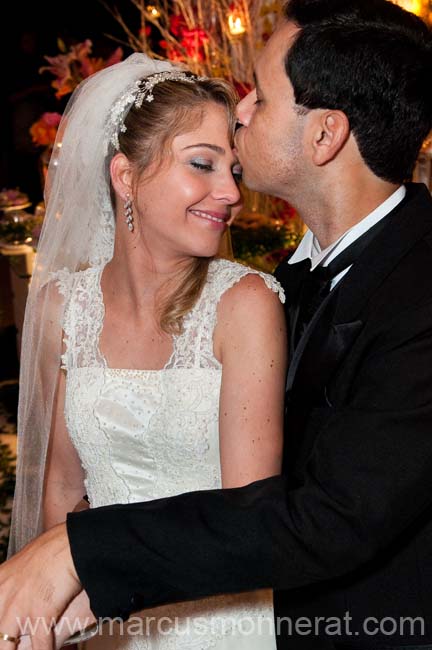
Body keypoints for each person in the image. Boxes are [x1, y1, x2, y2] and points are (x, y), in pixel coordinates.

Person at [1, 0, 432, 648]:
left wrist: (78, 554)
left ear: (325, 135)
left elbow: (324, 519)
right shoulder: (296, 278)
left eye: (261, 93)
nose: (244, 109)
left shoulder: (419, 294)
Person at [1, 53, 287, 650]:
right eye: (202, 165)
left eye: (233, 169)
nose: (231, 192)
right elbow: (59, 488)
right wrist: (51, 616)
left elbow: (247, 518)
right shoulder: (63, 307)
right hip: (104, 625)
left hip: (221, 624)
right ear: (125, 176)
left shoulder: (245, 306)